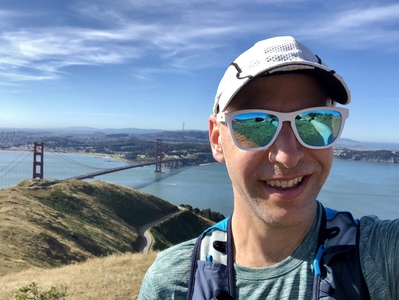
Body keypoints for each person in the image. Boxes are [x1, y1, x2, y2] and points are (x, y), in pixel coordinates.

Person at [138, 36, 398, 299]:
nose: (288, 156)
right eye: (255, 124)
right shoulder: (173, 285)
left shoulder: (380, 255)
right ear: (217, 140)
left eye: (313, 121)